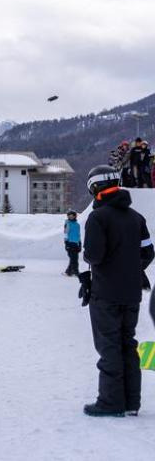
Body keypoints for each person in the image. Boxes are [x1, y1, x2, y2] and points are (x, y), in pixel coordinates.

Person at [79, 165, 155, 417]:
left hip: (106, 293)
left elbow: (93, 255)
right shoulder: (136, 217)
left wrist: (98, 271)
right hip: (132, 292)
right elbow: (148, 253)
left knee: (109, 346)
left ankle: (111, 402)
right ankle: (131, 402)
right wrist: (130, 269)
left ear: (95, 187)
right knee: (127, 344)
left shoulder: (98, 218)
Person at [64, 209, 81, 277]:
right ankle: (76, 271)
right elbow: (65, 233)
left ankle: (69, 271)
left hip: (76, 244)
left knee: (74, 258)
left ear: (75, 216)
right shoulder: (68, 223)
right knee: (74, 259)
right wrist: (66, 243)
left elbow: (78, 234)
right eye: (69, 216)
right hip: (69, 243)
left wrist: (79, 243)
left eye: (72, 216)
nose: (71, 217)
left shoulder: (77, 225)